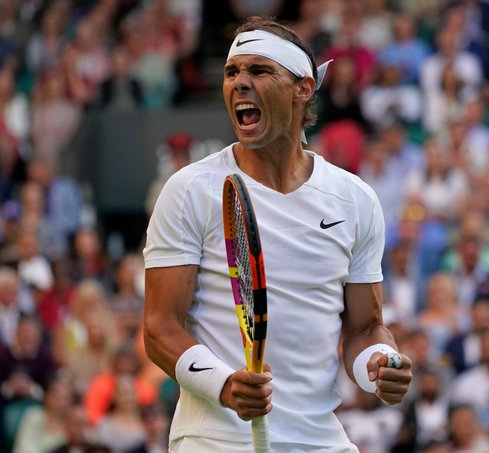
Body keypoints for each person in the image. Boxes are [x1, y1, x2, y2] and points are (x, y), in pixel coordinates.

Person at [143, 17, 412, 452]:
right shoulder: (189, 190)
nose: (239, 83)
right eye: (232, 73)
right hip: (214, 440)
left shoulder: (354, 199)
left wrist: (377, 366)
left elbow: (364, 329)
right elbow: (159, 327)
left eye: (259, 71)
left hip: (319, 438)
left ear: (303, 88)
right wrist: (224, 384)